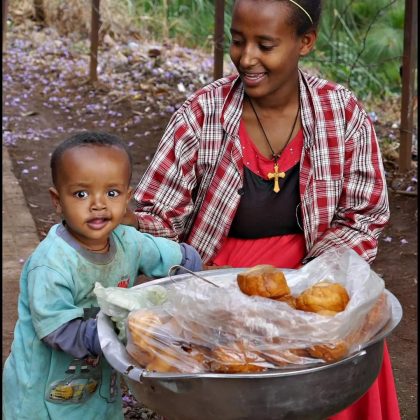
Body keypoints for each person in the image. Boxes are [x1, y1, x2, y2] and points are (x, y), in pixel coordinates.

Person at [124, 1, 401, 418]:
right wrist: (126, 223)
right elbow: (160, 215)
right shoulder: (203, 113)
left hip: (311, 278)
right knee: (233, 381)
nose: (246, 57)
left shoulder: (340, 113)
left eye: (265, 44)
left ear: (304, 42)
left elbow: (364, 214)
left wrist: (310, 293)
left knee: (335, 356)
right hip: (219, 284)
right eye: (238, 41)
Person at [2, 131, 202, 420]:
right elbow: (57, 330)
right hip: (42, 392)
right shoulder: (51, 264)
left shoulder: (128, 241)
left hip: (96, 384)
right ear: (57, 200)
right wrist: (129, 332)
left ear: (126, 198)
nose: (98, 204)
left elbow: (177, 260)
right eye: (81, 194)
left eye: (112, 193)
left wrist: (196, 271)